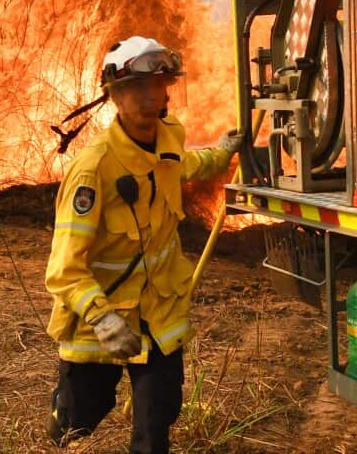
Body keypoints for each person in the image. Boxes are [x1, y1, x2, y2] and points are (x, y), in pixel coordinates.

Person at [43, 36, 244, 454]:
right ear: (114, 95)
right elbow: (63, 268)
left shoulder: (167, 139)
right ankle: (64, 414)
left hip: (159, 312)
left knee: (158, 421)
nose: (151, 97)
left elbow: (180, 166)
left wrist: (220, 155)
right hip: (106, 315)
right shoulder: (93, 170)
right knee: (85, 415)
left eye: (160, 84)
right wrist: (102, 319)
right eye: (137, 88)